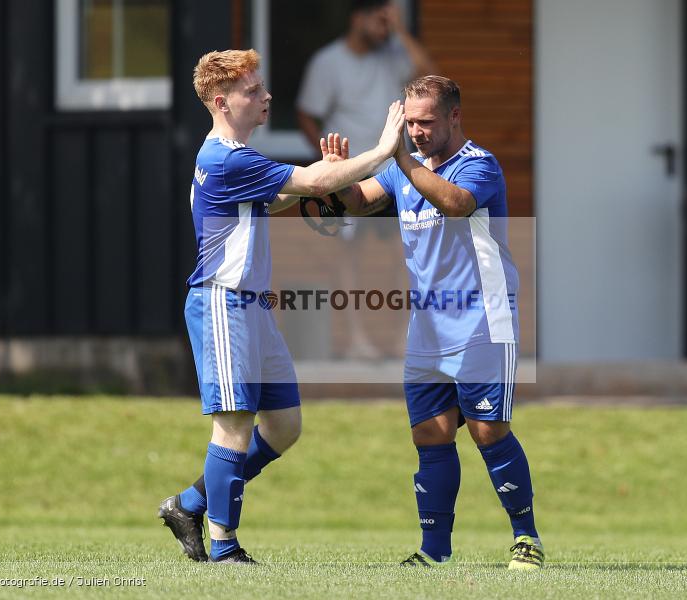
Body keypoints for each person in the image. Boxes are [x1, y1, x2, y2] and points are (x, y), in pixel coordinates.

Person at [157, 48, 405, 564]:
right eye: (253, 90)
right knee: (234, 426)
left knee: (285, 426)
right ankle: (224, 549)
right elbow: (308, 184)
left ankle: (190, 503)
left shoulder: (237, 158)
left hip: (253, 309)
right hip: (223, 305)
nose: (266, 96)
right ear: (222, 102)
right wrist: (382, 149)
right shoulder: (224, 157)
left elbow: (287, 194)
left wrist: (331, 172)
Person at [328, 75, 544, 569]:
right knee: (430, 434)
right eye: (410, 123)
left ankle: (526, 538)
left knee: (488, 431)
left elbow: (456, 204)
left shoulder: (479, 164)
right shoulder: (408, 169)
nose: (417, 132)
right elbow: (360, 201)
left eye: (426, 122)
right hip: (427, 325)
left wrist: (400, 157)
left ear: (454, 117)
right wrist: (339, 179)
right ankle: (434, 551)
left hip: (482, 320)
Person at [296, 0, 436, 359]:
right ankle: (357, 341)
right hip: (351, 177)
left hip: (395, 172)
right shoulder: (328, 62)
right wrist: (329, 166)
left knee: (404, 256)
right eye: (380, 19)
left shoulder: (394, 54)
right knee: (349, 256)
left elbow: (429, 72)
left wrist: (401, 31)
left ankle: (402, 338)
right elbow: (306, 114)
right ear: (358, 18)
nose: (385, 26)